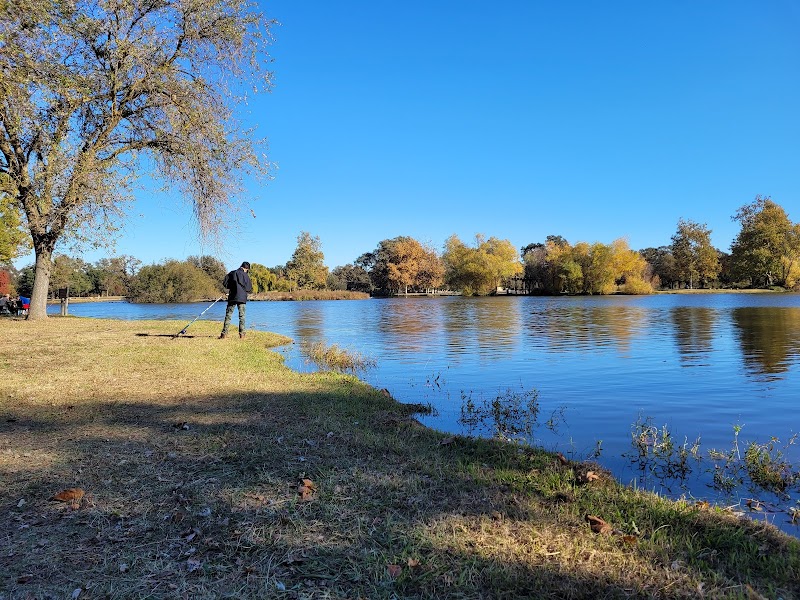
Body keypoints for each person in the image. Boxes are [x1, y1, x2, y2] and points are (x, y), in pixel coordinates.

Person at [220, 261, 253, 339]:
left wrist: (232, 287)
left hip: (232, 297)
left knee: (228, 315)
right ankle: (242, 335)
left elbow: (225, 283)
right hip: (242, 298)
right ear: (246, 269)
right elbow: (249, 288)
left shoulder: (232, 273)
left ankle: (224, 334)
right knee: (242, 316)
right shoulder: (245, 276)